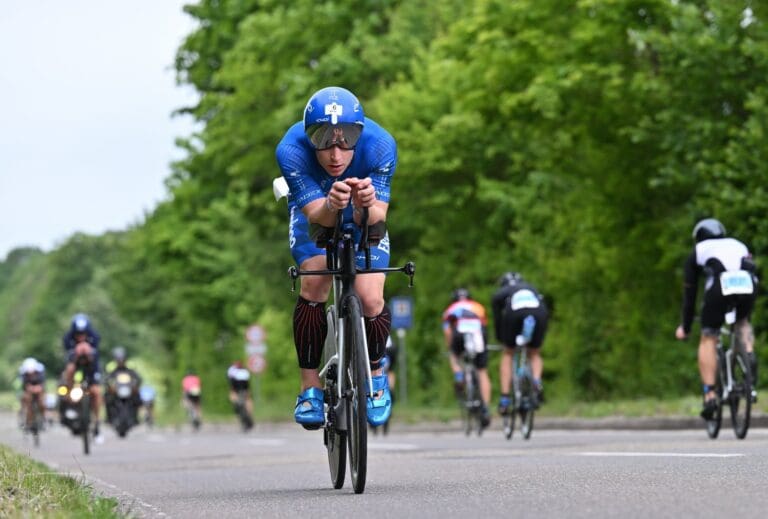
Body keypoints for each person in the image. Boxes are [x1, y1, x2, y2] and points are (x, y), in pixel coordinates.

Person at [276, 86, 397, 429]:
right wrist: (332, 204)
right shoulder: (291, 150)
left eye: (346, 141)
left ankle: (375, 374)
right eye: (323, 139)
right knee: (314, 279)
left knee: (371, 297)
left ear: (360, 133)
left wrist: (368, 204)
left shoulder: (381, 145)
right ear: (307, 135)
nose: (335, 153)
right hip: (316, 211)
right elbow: (317, 216)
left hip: (362, 213)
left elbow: (378, 217)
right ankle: (309, 386)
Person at [675, 218, 759, 419]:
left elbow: (690, 294)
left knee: (709, 336)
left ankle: (710, 394)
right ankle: (749, 354)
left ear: (699, 237)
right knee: (742, 323)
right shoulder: (738, 244)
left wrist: (685, 327)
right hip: (748, 284)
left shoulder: (699, 250)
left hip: (720, 287)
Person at [491, 272, 550, 414]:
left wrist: (501, 338)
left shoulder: (501, 293)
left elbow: (498, 319)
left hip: (515, 313)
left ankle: (505, 398)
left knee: (508, 353)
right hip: (539, 312)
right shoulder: (531, 287)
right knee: (535, 353)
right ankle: (536, 381)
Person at [442, 288, 492, 428]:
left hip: (459, 332)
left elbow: (447, 331)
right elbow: (484, 326)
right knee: (482, 371)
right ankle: (486, 408)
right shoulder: (478, 306)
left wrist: (450, 347)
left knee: (454, 354)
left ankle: (458, 375)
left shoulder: (450, 309)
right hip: (478, 333)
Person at [61, 313, 103, 439]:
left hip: (90, 373)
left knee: (96, 392)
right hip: (75, 375)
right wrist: (77, 353)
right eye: (78, 334)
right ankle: (69, 397)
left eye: (83, 334)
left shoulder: (94, 340)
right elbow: (68, 362)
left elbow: (96, 364)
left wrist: (88, 353)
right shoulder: (68, 340)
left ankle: (97, 421)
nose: (81, 337)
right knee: (69, 369)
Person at [104, 347, 142, 426]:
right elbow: (107, 379)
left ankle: (136, 417)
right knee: (107, 397)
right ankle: (108, 417)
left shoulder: (130, 366)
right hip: (116, 389)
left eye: (122, 358)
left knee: (137, 397)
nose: (120, 361)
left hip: (128, 388)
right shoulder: (111, 367)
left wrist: (135, 386)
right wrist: (110, 386)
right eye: (118, 359)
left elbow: (137, 378)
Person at [19, 357, 47, 429]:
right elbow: (24, 386)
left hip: (39, 390)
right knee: (27, 401)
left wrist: (38, 388)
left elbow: (42, 385)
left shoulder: (40, 373)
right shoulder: (24, 375)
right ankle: (27, 420)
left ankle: (43, 418)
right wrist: (31, 389)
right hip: (28, 391)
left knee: (42, 403)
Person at [227, 360, 253, 428]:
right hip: (243, 390)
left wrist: (232, 392)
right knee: (246, 402)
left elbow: (232, 384)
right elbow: (247, 383)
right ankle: (248, 415)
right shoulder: (245, 372)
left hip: (238, 391)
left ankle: (245, 416)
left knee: (237, 404)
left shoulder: (233, 372)